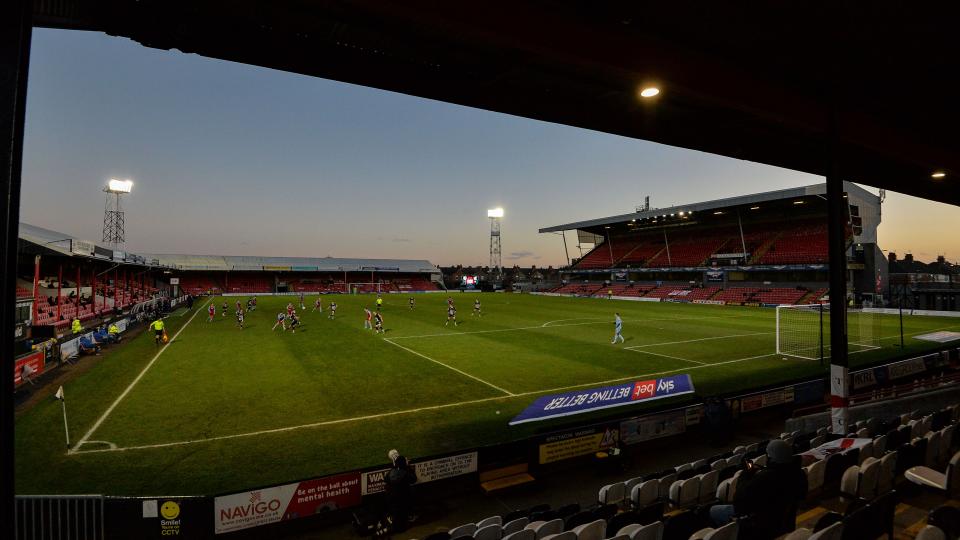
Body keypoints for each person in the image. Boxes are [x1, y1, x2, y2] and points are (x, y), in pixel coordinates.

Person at [708, 439, 806, 537]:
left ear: (770, 457)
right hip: (785, 522)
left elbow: (739, 501)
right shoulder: (799, 473)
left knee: (714, 510)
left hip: (760, 526)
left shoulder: (765, 477)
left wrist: (745, 473)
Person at [385, 450, 418, 528]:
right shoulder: (405, 473)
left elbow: (386, 479)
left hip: (392, 498)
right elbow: (414, 479)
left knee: (394, 505)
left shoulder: (391, 472)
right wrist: (408, 467)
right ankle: (410, 516)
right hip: (403, 497)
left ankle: (392, 518)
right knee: (412, 492)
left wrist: (395, 467)